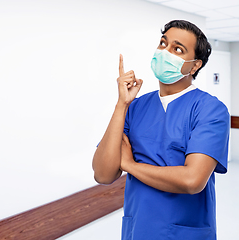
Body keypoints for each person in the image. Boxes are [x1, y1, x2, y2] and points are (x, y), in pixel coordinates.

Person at [92, 20, 230, 240]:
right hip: (138, 229)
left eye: (177, 49)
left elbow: (192, 180)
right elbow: (103, 174)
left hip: (185, 232)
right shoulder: (135, 107)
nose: (165, 52)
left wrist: (129, 165)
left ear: (195, 65)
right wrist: (121, 105)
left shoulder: (210, 110)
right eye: (163, 43)